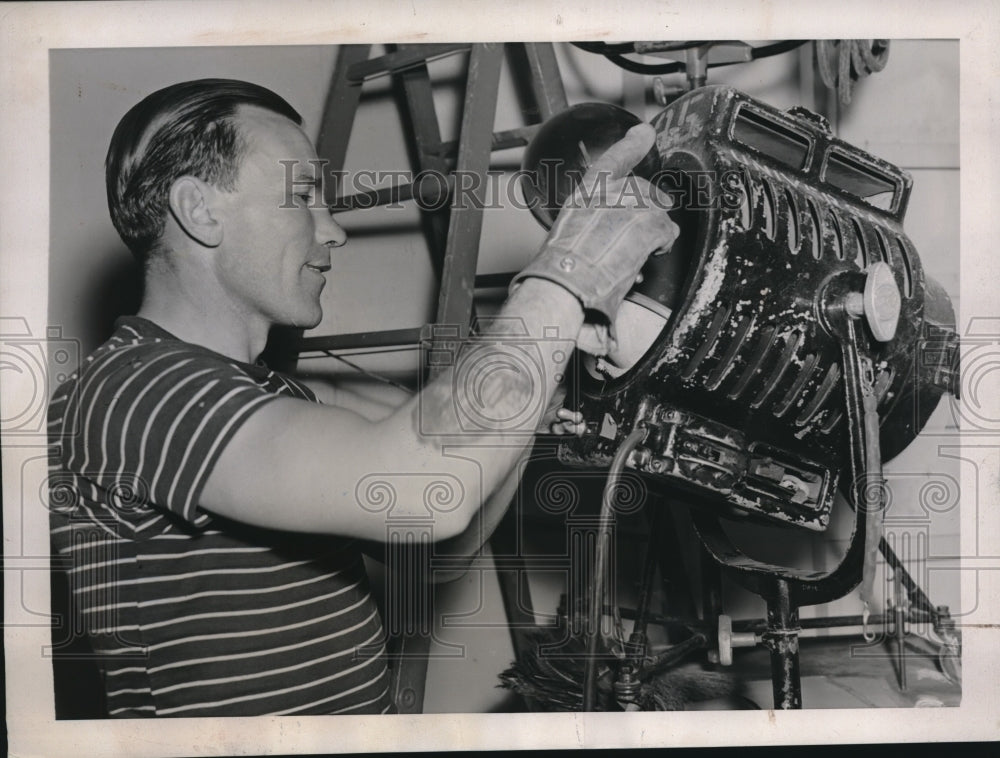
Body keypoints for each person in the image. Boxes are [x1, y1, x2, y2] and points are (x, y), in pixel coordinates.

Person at [47, 78, 678, 717]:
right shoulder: (133, 387)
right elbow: (421, 485)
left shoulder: (265, 393)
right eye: (302, 195)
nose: (334, 230)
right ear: (200, 210)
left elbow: (435, 549)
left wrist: (527, 405)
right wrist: (570, 271)